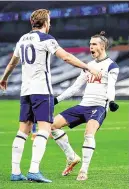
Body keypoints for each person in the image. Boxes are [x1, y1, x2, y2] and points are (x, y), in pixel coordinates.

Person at [0, 9, 100, 183]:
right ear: (46, 22)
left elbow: (12, 62)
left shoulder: (22, 40)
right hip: (41, 91)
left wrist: (4, 78)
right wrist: (88, 67)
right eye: (50, 21)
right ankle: (33, 170)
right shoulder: (47, 39)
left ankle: (16, 172)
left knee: (23, 130)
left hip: (26, 92)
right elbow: (66, 57)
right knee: (45, 129)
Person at [51, 31, 119, 181]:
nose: (90, 47)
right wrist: (57, 100)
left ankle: (84, 170)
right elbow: (75, 88)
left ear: (102, 46)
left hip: (98, 107)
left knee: (89, 134)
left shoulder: (111, 66)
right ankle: (71, 157)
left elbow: (111, 87)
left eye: (94, 44)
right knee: (52, 125)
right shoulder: (88, 66)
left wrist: (112, 101)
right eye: (90, 44)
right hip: (83, 105)